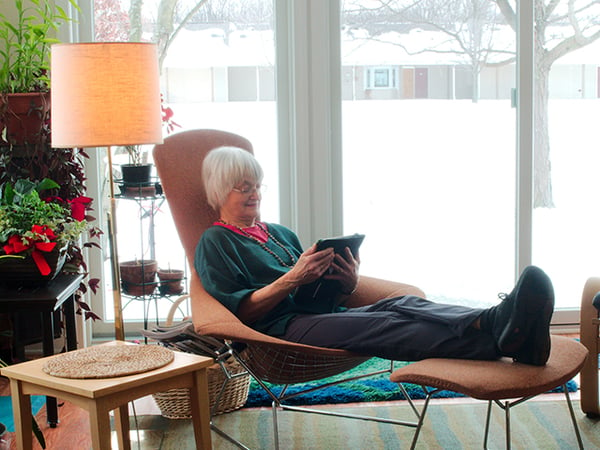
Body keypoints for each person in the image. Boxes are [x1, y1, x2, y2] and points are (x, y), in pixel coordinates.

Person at [195, 146, 555, 366]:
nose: (254, 193)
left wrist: (345, 281)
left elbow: (317, 293)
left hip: (321, 314)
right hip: (281, 331)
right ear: (219, 189)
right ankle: (506, 337)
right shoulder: (216, 242)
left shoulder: (280, 233)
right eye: (243, 186)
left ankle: (494, 323)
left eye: (257, 184)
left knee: (400, 304)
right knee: (385, 324)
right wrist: (293, 277)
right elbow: (241, 312)